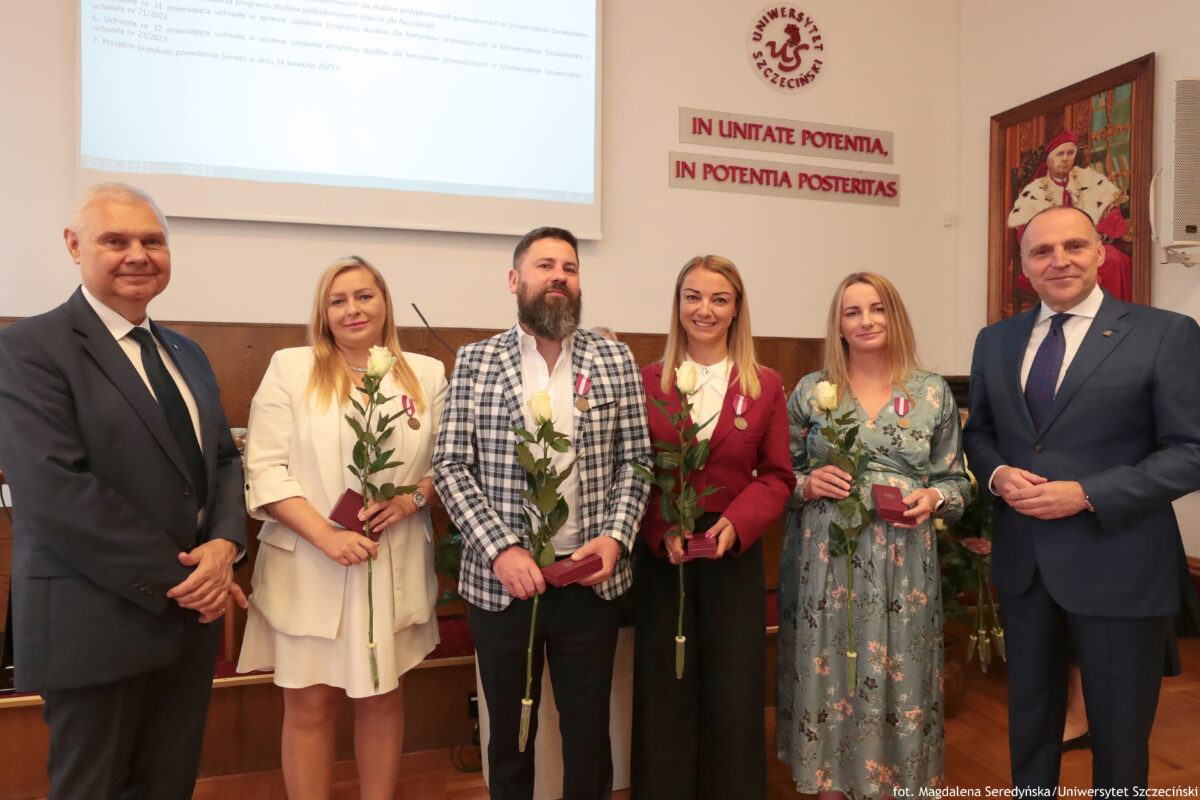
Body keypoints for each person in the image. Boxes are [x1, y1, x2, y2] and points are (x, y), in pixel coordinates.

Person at [0, 183, 248, 799]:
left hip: (188, 625)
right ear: (74, 246)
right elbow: (55, 492)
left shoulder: (187, 353)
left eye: (152, 241)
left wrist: (224, 546)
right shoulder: (27, 349)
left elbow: (222, 459)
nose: (138, 254)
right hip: (95, 622)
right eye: (115, 240)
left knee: (168, 786)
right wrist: (189, 579)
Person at [964, 205, 1200, 793]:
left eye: (1073, 246)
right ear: (1023, 266)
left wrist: (1089, 493)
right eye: (1041, 251)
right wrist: (998, 475)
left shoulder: (1165, 333)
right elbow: (981, 433)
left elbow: (1191, 450)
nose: (1059, 260)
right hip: (1025, 566)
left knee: (1120, 736)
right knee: (1031, 724)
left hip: (1122, 564)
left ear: (1099, 252)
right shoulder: (995, 341)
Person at [433, 226, 652, 800]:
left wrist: (615, 538)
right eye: (545, 265)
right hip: (504, 586)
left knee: (588, 737)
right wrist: (501, 550)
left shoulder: (614, 359)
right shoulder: (476, 361)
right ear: (515, 280)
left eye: (570, 268)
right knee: (510, 740)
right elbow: (451, 465)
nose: (559, 276)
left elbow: (636, 461)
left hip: (589, 581)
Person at [238, 256, 446, 800]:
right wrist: (326, 536)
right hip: (311, 563)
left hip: (391, 560)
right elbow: (265, 468)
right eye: (338, 300)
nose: (353, 309)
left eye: (364, 296)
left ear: (385, 303)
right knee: (310, 703)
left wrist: (412, 499)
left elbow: (447, 466)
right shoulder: (291, 367)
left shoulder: (426, 374)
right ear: (323, 313)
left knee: (382, 698)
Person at [776, 272, 969, 799]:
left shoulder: (931, 391)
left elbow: (956, 481)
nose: (866, 321)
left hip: (903, 562)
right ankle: (829, 786)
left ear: (895, 315)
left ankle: (897, 784)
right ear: (838, 325)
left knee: (900, 665)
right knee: (830, 666)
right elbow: (776, 477)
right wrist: (807, 483)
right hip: (827, 560)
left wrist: (934, 498)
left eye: (877, 308)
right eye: (852, 311)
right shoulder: (812, 391)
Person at [631, 255, 794, 799]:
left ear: (736, 310)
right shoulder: (645, 381)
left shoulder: (765, 385)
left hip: (732, 553)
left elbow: (778, 476)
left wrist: (736, 522)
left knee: (734, 693)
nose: (705, 309)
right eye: (693, 297)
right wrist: (661, 528)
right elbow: (632, 471)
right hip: (665, 556)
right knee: (665, 690)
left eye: (719, 299)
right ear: (678, 305)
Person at [1007, 129, 1132, 302]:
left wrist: (1097, 234)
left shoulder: (1089, 181)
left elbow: (1111, 214)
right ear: (1049, 159)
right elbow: (1027, 234)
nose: (1065, 159)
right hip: (1054, 250)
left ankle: (1113, 313)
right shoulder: (1036, 191)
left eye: (1070, 153)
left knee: (1114, 259)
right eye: (1060, 154)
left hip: (1085, 245)